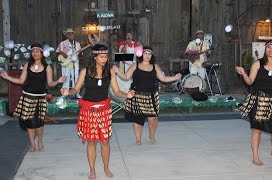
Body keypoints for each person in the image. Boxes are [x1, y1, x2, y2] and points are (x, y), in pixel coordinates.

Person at [60, 44, 135, 179]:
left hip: (104, 110)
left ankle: (106, 167)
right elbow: (75, 89)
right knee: (91, 142)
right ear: (94, 57)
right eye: (101, 56)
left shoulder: (110, 71)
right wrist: (67, 92)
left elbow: (117, 91)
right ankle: (92, 170)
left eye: (106, 56)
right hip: (88, 110)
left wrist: (127, 95)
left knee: (105, 141)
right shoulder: (85, 71)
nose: (104, 59)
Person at [0, 42, 66, 152]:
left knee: (39, 122)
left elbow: (50, 83)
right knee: (30, 122)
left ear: (41, 53)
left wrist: (57, 81)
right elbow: (21, 81)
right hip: (28, 97)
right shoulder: (27, 65)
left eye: (37, 51)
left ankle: (40, 141)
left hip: (40, 98)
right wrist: (8, 77)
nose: (35, 53)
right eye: (33, 51)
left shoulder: (47, 67)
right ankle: (32, 144)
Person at [113, 46, 182, 145]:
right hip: (136, 96)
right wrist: (118, 71)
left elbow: (163, 78)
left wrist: (174, 77)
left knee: (153, 119)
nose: (147, 55)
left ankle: (152, 135)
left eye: (150, 53)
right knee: (137, 119)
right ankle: (138, 138)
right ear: (141, 54)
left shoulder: (155, 66)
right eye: (145, 53)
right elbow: (126, 77)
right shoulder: (134, 66)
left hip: (152, 96)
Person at [56, 28, 82, 98]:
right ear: (66, 35)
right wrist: (62, 52)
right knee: (65, 78)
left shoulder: (77, 44)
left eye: (72, 33)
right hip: (66, 63)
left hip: (75, 63)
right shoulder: (63, 44)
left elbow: (80, 55)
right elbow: (57, 52)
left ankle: (76, 93)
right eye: (69, 34)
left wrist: (80, 53)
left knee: (76, 78)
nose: (71, 35)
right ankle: (64, 93)